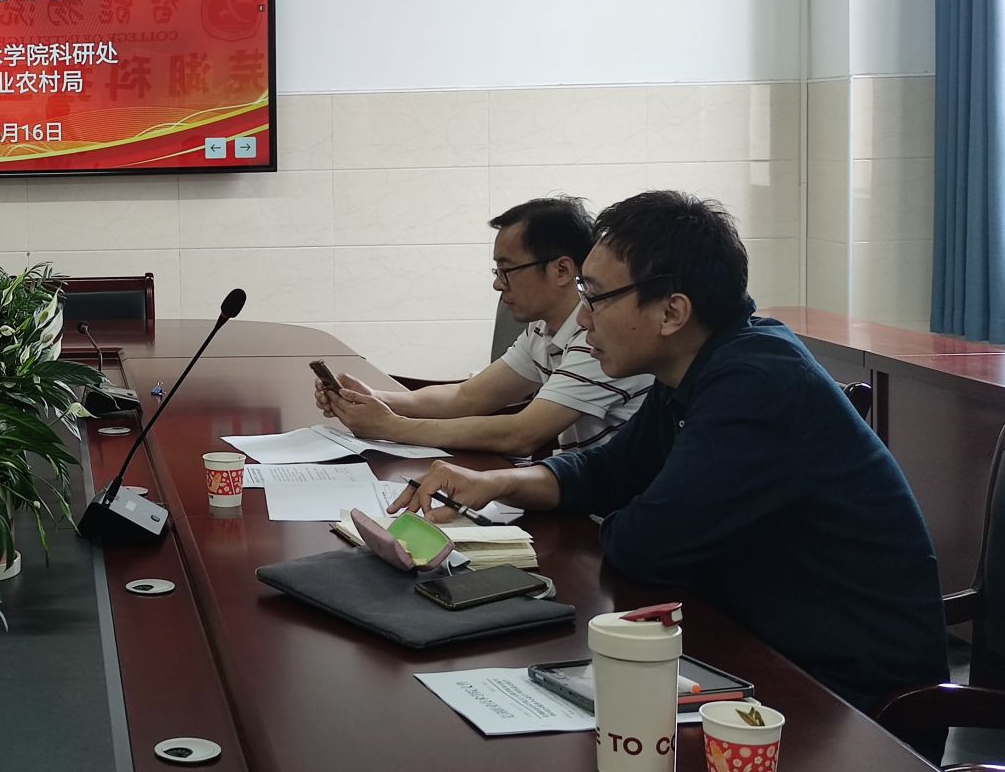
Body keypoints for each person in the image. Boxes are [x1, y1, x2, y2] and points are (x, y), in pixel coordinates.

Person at [395, 190, 947, 711]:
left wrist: (623, 511)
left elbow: (647, 546)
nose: (582, 318)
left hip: (846, 695)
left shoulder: (755, 386)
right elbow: (603, 471)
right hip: (755, 641)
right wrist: (497, 483)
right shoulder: (694, 366)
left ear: (671, 313)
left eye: (596, 297)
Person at [318, 196, 650, 457]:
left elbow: (522, 434)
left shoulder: (598, 338)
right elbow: (467, 396)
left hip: (609, 507)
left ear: (561, 270)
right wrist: (375, 398)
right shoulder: (543, 328)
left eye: (507, 270)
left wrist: (390, 427)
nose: (498, 285)